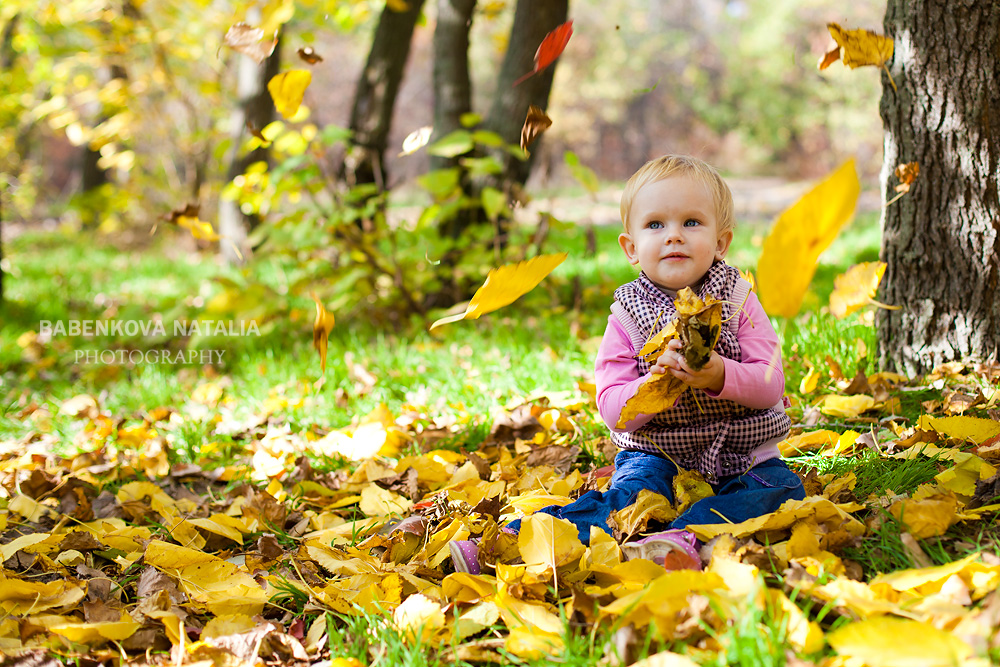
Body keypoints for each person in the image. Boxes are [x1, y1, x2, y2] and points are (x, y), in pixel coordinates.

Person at [450, 154, 805, 574]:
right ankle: (514, 541)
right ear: (631, 247)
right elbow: (613, 410)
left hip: (743, 452)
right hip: (657, 454)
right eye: (656, 225)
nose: (674, 236)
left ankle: (682, 538)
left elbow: (771, 382)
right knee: (626, 500)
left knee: (782, 491)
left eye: (691, 223)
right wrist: (649, 389)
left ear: (721, 242)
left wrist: (719, 374)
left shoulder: (739, 300)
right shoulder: (627, 317)